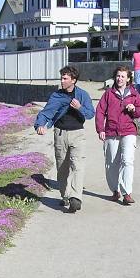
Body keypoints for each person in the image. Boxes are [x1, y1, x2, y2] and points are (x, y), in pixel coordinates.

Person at [34, 65, 95, 213]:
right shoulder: (57, 96)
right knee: (62, 168)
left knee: (77, 166)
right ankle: (66, 195)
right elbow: (46, 112)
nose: (62, 80)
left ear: (73, 80)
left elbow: (90, 114)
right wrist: (40, 125)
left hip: (77, 134)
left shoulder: (83, 95)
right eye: (62, 77)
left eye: (65, 78)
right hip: (60, 134)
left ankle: (76, 198)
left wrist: (79, 107)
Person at [95, 66, 140, 206]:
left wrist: (134, 110)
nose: (120, 79)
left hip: (129, 131)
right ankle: (115, 190)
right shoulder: (108, 94)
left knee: (127, 161)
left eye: (123, 76)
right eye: (118, 76)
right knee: (111, 163)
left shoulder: (134, 94)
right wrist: (100, 129)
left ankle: (127, 193)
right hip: (111, 132)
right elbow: (99, 111)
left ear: (128, 78)